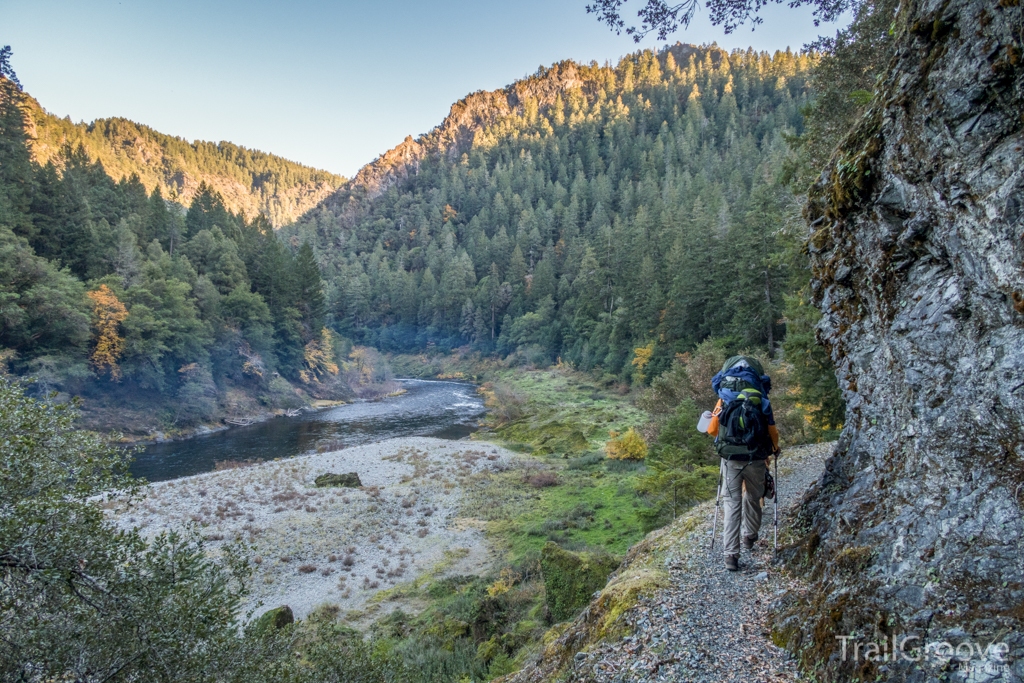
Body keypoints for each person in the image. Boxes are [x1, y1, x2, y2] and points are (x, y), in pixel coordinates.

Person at [707, 356, 779, 571]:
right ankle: (750, 536)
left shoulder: (723, 400)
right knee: (754, 497)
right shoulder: (762, 400)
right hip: (756, 458)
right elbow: (772, 430)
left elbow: (712, 430)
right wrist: (775, 449)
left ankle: (731, 555)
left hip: (731, 460)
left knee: (731, 503)